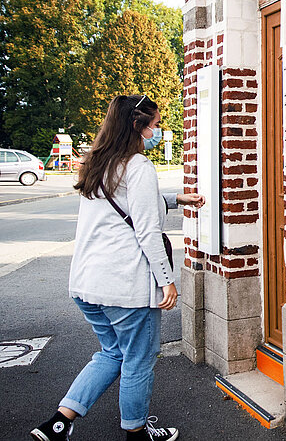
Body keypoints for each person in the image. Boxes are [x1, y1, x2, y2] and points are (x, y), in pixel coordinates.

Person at [30, 95, 205, 441]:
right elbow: (146, 230)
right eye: (155, 125)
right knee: (139, 360)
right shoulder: (138, 166)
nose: (157, 131)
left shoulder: (96, 163)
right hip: (124, 287)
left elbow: (122, 204)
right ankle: (137, 433)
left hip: (85, 284)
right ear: (138, 126)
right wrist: (166, 280)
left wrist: (175, 198)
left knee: (112, 353)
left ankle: (58, 424)